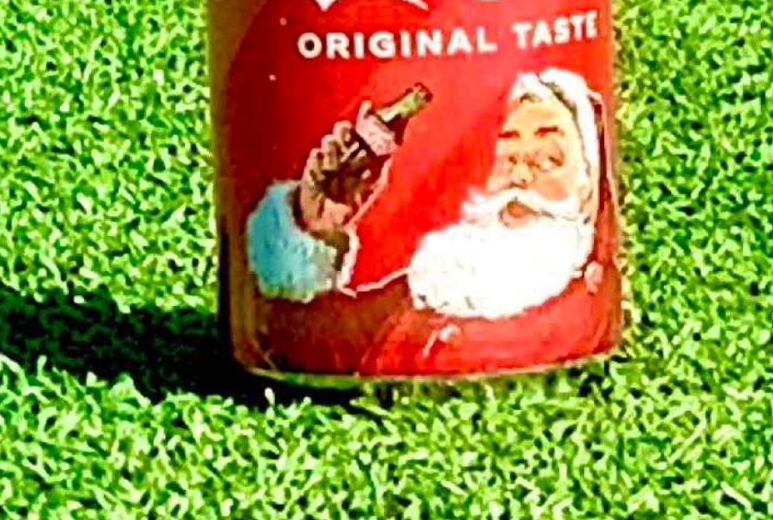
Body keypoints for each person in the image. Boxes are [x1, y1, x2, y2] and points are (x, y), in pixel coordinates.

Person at [240, 69, 616, 376]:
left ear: (589, 178)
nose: (519, 178)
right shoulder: (442, 281)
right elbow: (292, 340)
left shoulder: (582, 314)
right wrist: (313, 225)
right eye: (508, 156)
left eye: (548, 159)